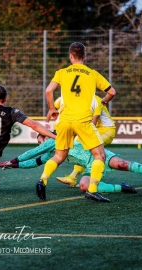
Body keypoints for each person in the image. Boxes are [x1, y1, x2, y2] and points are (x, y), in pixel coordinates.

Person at [38, 42, 116, 202]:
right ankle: (92, 190)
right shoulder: (92, 73)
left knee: (59, 156)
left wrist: (52, 108)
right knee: (99, 156)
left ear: (70, 56)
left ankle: (43, 180)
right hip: (83, 121)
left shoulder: (62, 72)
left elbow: (48, 90)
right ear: (85, 56)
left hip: (65, 121)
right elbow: (112, 92)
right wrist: (104, 101)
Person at [0, 134, 142, 197]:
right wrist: (15, 165)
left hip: (98, 155)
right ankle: (122, 187)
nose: (44, 144)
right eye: (41, 143)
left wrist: (13, 160)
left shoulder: (57, 139)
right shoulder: (52, 153)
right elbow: (34, 161)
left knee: (121, 164)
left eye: (44, 140)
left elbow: (32, 153)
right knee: (84, 186)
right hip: (90, 167)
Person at [56, 95, 116, 186]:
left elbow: (93, 122)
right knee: (79, 145)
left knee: (85, 146)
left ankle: (88, 177)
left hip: (107, 130)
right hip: (94, 129)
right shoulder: (82, 101)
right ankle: (75, 177)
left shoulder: (96, 100)